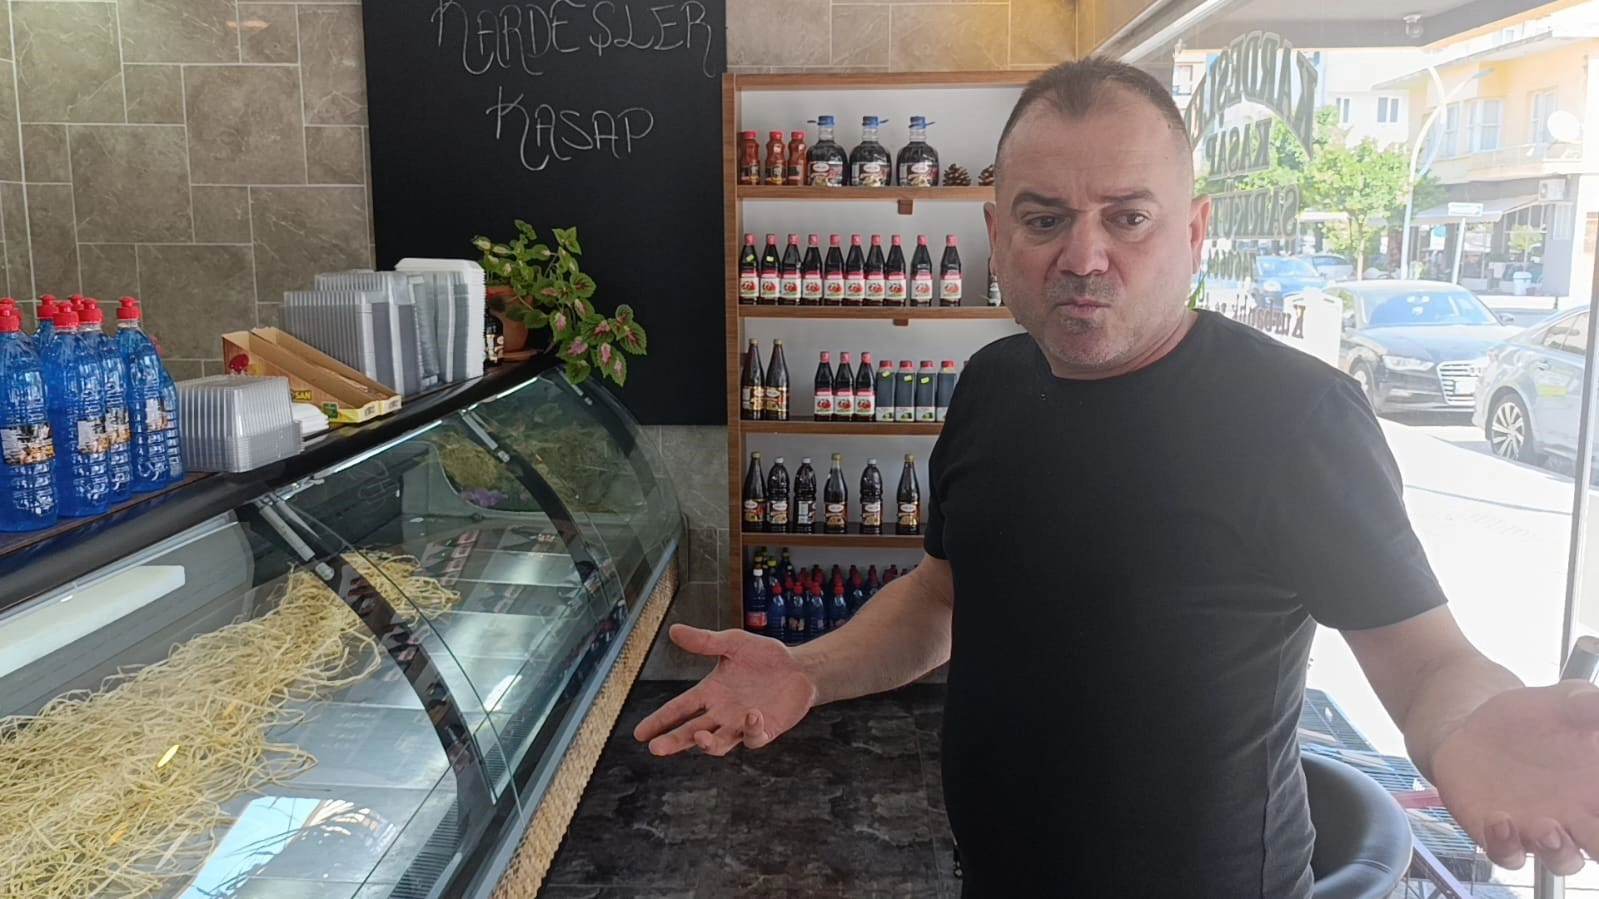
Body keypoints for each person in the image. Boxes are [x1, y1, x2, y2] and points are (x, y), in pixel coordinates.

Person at [636, 57, 1599, 896]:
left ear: (1194, 230)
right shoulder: (990, 384)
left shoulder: (1295, 418)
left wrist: (1474, 724)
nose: (1083, 256)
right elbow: (942, 596)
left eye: (1127, 217)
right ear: (995, 233)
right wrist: (805, 671)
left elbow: (1426, 662)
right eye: (1044, 218)